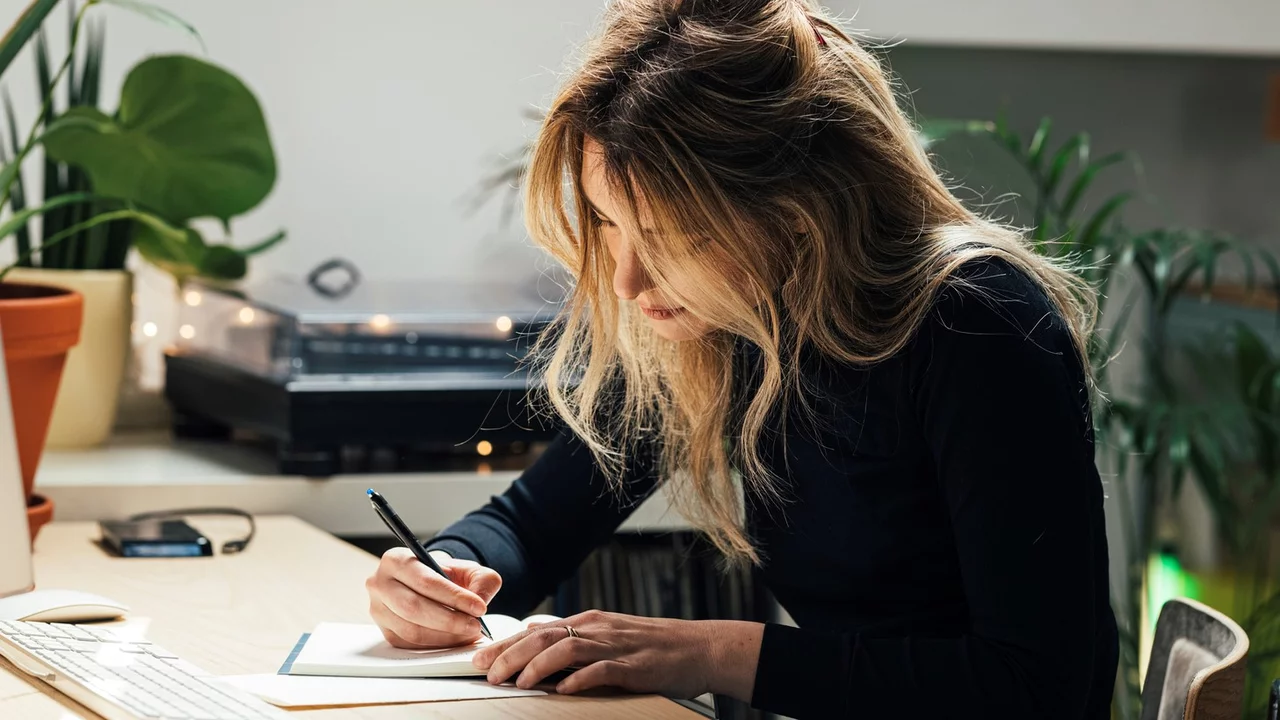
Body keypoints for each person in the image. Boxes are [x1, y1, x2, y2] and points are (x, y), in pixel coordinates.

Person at [364, 0, 1118, 717]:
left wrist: (711, 653)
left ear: (796, 208)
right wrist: (444, 572)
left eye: (667, 236)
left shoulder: (977, 324)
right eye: (608, 224)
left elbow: (1035, 689)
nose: (626, 280)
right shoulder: (731, 321)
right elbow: (533, 524)